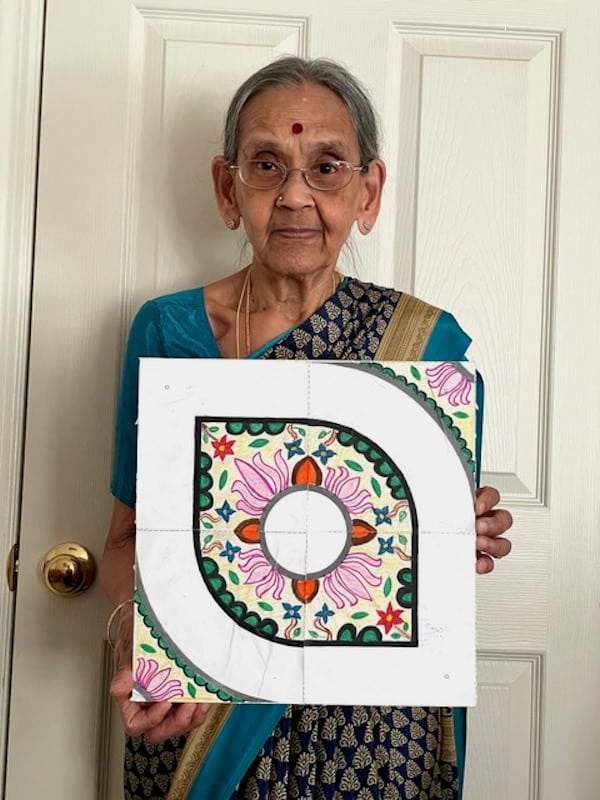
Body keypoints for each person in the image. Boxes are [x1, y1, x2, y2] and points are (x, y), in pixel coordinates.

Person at [100, 56, 513, 800]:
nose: (294, 196)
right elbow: (125, 544)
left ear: (368, 191)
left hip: (378, 724)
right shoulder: (170, 332)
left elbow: (410, 556)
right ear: (229, 190)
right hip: (206, 709)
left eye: (326, 167)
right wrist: (138, 626)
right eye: (267, 165)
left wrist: (454, 536)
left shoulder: (423, 346)